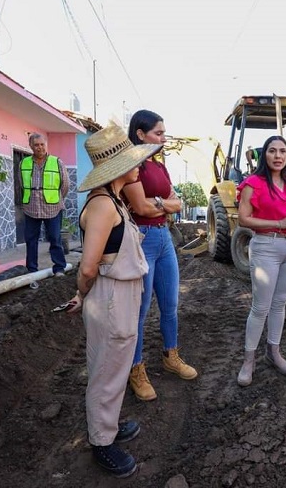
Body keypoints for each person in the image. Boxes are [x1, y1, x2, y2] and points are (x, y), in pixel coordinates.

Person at [64, 120, 161, 478]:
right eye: (134, 161)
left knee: (115, 366)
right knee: (106, 371)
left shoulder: (113, 201)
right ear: (118, 167)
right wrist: (81, 293)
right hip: (110, 298)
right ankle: (101, 441)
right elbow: (88, 267)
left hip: (119, 295)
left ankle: (109, 422)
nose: (140, 166)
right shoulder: (104, 206)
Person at [122, 109, 197, 402]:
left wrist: (162, 204)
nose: (164, 138)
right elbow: (140, 208)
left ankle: (171, 355)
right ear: (141, 134)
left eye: (164, 132)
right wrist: (165, 204)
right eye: (159, 133)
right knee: (139, 312)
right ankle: (136, 368)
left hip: (164, 238)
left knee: (170, 304)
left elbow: (178, 202)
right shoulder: (132, 164)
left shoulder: (158, 165)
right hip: (142, 240)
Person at [235, 135, 286, 387]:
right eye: (272, 151)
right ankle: (248, 360)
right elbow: (243, 219)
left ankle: (273, 352)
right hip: (266, 245)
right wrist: (279, 223)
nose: (278, 156)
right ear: (264, 155)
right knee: (260, 306)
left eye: (282, 151)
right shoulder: (253, 183)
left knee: (280, 304)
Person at [18, 133, 69, 275]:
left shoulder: (57, 162)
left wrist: (56, 198)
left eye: (42, 144)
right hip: (31, 208)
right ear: (31, 146)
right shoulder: (24, 163)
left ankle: (59, 268)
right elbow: (21, 184)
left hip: (52, 207)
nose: (39, 147)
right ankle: (32, 269)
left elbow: (65, 185)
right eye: (36, 145)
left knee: (55, 238)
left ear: (46, 145)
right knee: (31, 240)